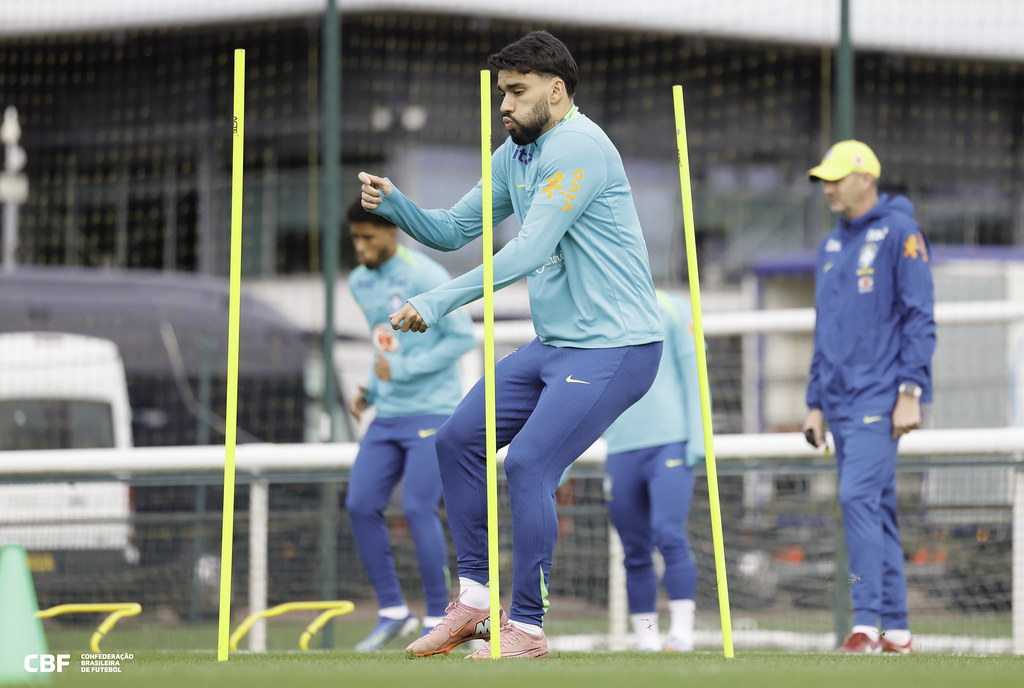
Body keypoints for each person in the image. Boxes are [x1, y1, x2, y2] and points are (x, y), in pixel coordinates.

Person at [358, 30, 664, 659]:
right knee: (456, 439)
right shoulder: (516, 153)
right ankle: (474, 603)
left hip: (619, 347)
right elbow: (450, 231)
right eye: (502, 92)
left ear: (556, 91)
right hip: (557, 344)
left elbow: (526, 250)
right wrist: (397, 206)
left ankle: (526, 626)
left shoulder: (578, 145)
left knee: (527, 465)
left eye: (517, 92)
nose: (504, 105)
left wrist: (435, 302)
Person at [801, 140, 935, 654]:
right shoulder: (831, 245)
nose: (828, 188)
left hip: (882, 396)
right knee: (876, 510)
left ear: (866, 179)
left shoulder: (902, 232)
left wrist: (911, 390)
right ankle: (896, 633)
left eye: (836, 178)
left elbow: (920, 316)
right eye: (825, 180)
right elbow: (825, 330)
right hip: (837, 401)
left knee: (857, 498)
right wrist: (815, 401)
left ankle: (866, 623)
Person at [343, 199, 477, 652]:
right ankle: (392, 610)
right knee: (360, 504)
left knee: (418, 507)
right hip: (388, 414)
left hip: (432, 411)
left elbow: (461, 337)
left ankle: (439, 616)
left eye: (369, 238)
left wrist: (398, 375)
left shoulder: (426, 275)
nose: (360, 247)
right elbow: (386, 347)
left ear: (392, 234)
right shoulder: (359, 282)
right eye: (355, 238)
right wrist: (369, 388)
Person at [602, 289, 705, 652]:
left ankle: (682, 634)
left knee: (669, 533)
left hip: (670, 444)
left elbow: (695, 370)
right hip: (621, 449)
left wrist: (699, 438)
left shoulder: (672, 308)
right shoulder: (600, 306)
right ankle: (646, 638)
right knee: (634, 548)